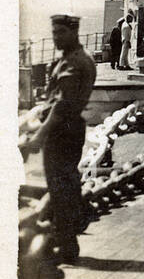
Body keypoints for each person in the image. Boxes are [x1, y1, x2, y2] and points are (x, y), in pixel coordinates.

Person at [21, 14, 97, 265]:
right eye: (54, 32)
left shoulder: (75, 63)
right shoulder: (67, 59)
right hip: (65, 129)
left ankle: (67, 245)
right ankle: (68, 236)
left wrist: (39, 137)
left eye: (61, 32)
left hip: (63, 131)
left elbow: (61, 107)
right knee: (61, 185)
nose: (56, 37)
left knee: (60, 187)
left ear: (74, 32)